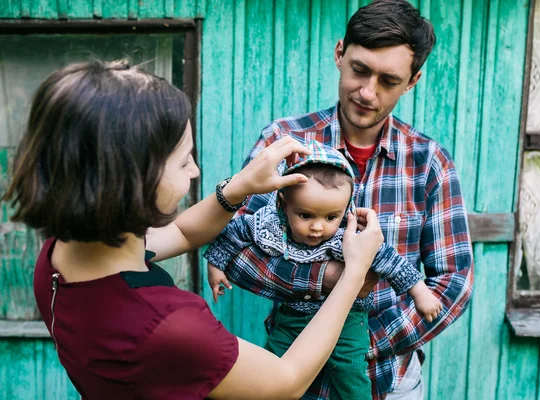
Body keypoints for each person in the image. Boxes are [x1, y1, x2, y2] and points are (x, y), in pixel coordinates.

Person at [2, 60, 387, 400]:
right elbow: (286, 382)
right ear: (136, 178)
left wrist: (239, 188)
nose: (195, 171)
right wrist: (354, 271)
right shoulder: (169, 326)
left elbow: (184, 234)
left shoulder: (60, 254)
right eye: (184, 160)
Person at [208, 1, 475, 399]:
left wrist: (358, 343)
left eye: (388, 80)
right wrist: (324, 279)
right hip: (288, 372)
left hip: (389, 380)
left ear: (413, 80)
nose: (368, 92)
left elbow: (453, 282)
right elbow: (237, 252)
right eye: (359, 70)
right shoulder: (282, 144)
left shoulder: (429, 163)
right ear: (339, 54)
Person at [204, 140, 442, 399]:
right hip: (292, 317)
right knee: (271, 368)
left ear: (346, 209)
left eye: (330, 217)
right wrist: (216, 264)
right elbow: (235, 232)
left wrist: (419, 291)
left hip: (346, 321)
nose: (318, 227)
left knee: (351, 371)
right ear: (283, 204)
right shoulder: (269, 225)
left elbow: (389, 260)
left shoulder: (348, 235)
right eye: (305, 215)